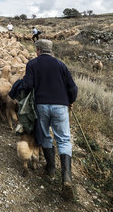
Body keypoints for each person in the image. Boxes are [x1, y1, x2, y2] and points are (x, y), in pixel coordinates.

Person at [22, 39, 78, 200]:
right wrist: (71, 99)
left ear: (38, 50)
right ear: (50, 50)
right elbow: (73, 87)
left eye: (36, 49)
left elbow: (28, 85)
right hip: (60, 106)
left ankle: (50, 168)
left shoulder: (32, 64)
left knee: (45, 135)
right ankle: (66, 178)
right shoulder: (61, 65)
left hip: (41, 106)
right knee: (64, 139)